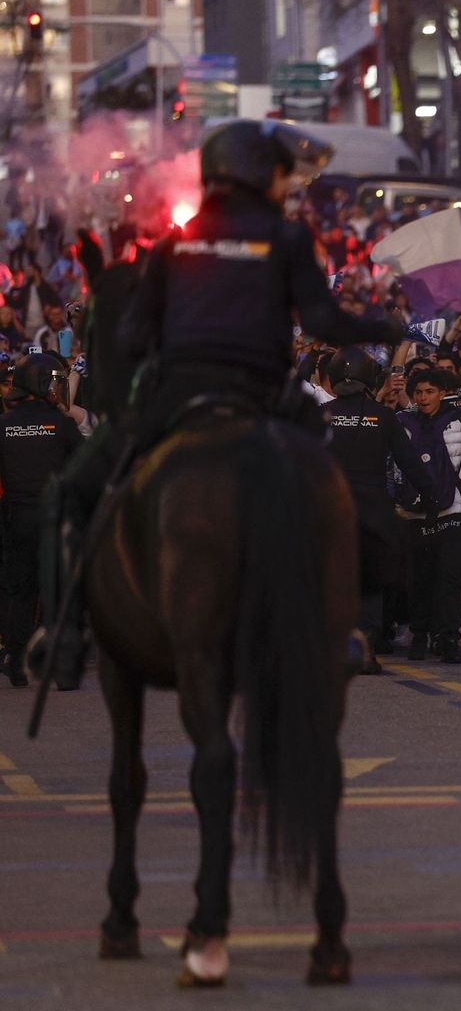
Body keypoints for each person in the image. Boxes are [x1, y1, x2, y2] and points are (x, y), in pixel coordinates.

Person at [37, 120, 404, 686]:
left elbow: (135, 334)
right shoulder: (286, 238)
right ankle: (342, 628)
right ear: (260, 174)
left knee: (70, 496)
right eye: (283, 175)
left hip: (179, 395)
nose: (288, 185)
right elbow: (325, 320)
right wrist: (386, 323)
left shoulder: (174, 243)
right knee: (336, 491)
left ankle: (64, 633)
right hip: (266, 397)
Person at [322, 347, 438, 674]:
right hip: (372, 508)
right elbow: (410, 462)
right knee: (370, 580)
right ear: (370, 378)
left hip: (331, 507)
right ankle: (366, 649)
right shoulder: (383, 416)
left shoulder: (320, 414)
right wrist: (430, 495)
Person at [394, 368, 461, 663]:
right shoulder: (401, 422)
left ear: (442, 393)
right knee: (419, 578)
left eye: (429, 391)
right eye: (418, 392)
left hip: (453, 510)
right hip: (413, 513)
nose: (423, 397)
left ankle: (448, 638)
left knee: (451, 578)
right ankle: (419, 636)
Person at [0, 356, 82, 687]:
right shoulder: (62, 425)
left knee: (21, 593)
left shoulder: (3, 425)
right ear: (43, 385)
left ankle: (17, 663)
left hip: (17, 520)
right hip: (56, 520)